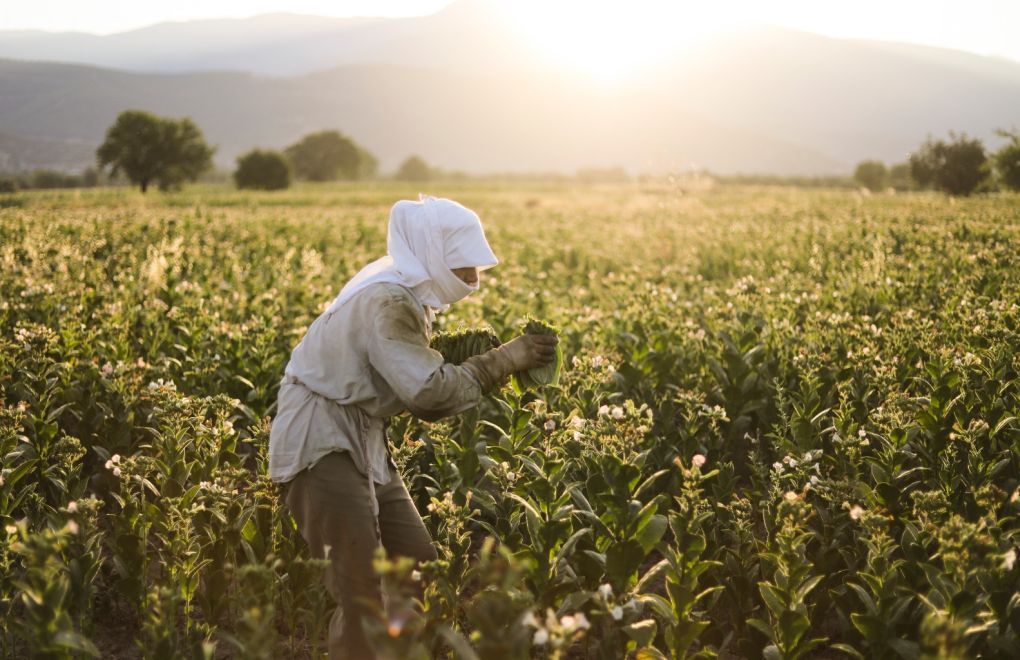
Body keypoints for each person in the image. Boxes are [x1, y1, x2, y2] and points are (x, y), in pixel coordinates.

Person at [268, 195, 557, 659]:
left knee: (416, 568)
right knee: (362, 587)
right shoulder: (389, 297)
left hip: (362, 441)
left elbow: (397, 358)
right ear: (434, 254)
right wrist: (502, 360)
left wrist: (465, 350)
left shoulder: (402, 285)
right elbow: (425, 392)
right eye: (464, 266)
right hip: (322, 442)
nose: (473, 280)